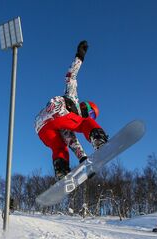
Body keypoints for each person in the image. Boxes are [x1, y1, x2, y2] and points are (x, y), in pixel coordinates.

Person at [34, 40, 109, 179]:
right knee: (84, 124)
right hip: (58, 110)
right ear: (85, 106)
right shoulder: (73, 97)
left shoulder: (69, 124)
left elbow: (72, 141)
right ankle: (98, 139)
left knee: (60, 147)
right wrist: (79, 57)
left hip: (41, 126)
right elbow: (71, 76)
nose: (90, 116)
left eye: (92, 116)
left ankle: (61, 170)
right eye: (91, 113)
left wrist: (84, 161)